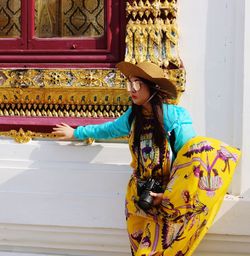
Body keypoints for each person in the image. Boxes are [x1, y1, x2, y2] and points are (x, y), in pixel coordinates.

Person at [52, 61, 241, 256]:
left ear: (152, 88)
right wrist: (76, 133)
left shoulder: (174, 117)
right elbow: (108, 129)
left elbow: (190, 158)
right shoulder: (132, 117)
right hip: (138, 198)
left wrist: (169, 195)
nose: (131, 90)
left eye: (137, 85)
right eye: (129, 84)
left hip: (165, 200)